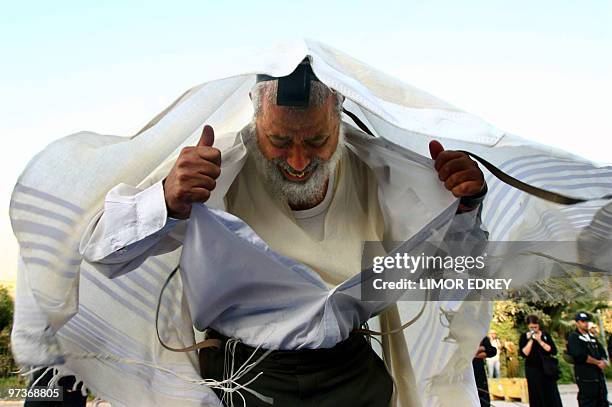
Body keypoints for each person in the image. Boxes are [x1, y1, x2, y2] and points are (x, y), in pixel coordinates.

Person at [80, 61, 488, 406]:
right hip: (244, 381)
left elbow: (450, 272)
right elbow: (101, 251)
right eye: (278, 140)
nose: (297, 160)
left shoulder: (381, 171)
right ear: (256, 119)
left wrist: (464, 207)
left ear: (340, 117)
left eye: (316, 140)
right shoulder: (214, 169)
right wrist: (166, 199)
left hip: (352, 375)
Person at [519, 314, 563, 407]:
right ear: (528, 326)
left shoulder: (545, 335)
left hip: (547, 369)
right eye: (531, 327)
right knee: (536, 394)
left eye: (535, 327)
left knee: (551, 393)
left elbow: (553, 350)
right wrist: (530, 340)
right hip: (533, 369)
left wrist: (539, 341)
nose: (534, 329)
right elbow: (524, 353)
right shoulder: (524, 337)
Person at [567, 311, 609, 407]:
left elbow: (602, 352)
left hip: (598, 377)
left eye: (586, 321)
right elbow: (580, 355)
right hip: (585, 377)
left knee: (602, 400)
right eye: (582, 321)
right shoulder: (574, 337)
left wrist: (604, 361)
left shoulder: (592, 337)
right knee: (588, 402)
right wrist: (597, 362)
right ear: (577, 323)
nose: (585, 323)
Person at [472, 336, 497, 407]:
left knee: (482, 394)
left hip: (478, 370)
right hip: (464, 371)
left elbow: (493, 350)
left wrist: (483, 349)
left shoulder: (481, 335)